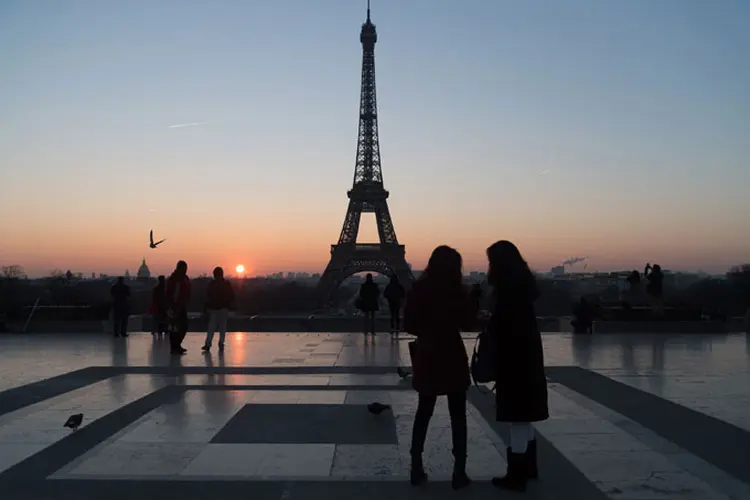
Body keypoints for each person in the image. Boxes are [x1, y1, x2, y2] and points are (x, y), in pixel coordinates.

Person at [403, 245, 478, 490]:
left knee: (423, 412)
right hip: (452, 354)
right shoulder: (457, 291)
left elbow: (409, 325)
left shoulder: (418, 289)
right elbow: (467, 323)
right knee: (458, 416)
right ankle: (459, 472)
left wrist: (427, 329)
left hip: (428, 354)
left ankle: (416, 467)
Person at [486, 240, 549, 492]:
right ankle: (529, 466)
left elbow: (502, 326)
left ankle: (517, 475)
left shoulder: (506, 291)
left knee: (517, 417)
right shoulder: (523, 287)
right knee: (524, 414)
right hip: (527, 356)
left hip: (513, 359)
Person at [202, 266, 235, 352]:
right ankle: (221, 343)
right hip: (223, 308)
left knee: (211, 327)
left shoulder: (212, 284)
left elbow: (207, 296)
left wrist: (206, 308)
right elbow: (231, 296)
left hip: (213, 308)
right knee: (222, 327)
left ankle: (208, 344)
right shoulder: (226, 284)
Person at [166, 260, 191, 355]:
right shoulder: (174, 279)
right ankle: (174, 347)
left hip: (181, 306)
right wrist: (172, 306)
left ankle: (176, 345)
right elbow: (169, 293)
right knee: (174, 328)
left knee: (182, 327)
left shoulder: (184, 278)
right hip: (174, 306)